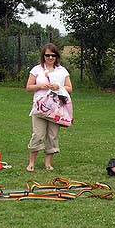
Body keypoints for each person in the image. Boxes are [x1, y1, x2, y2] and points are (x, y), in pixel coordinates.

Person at [25, 43, 72, 172]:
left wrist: (59, 87)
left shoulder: (62, 71)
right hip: (40, 108)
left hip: (56, 109)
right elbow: (28, 87)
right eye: (47, 55)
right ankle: (31, 163)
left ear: (57, 56)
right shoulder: (36, 69)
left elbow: (70, 88)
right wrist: (40, 86)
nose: (50, 57)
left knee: (52, 135)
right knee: (38, 134)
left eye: (53, 55)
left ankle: (48, 163)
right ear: (43, 56)